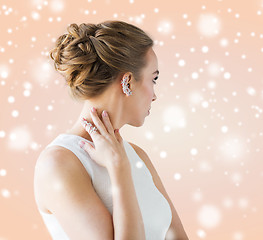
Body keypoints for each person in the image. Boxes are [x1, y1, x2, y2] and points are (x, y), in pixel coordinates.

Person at [33, 20, 189, 240]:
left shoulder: (137, 155)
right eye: (153, 79)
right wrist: (119, 169)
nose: (155, 95)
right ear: (127, 82)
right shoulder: (59, 163)